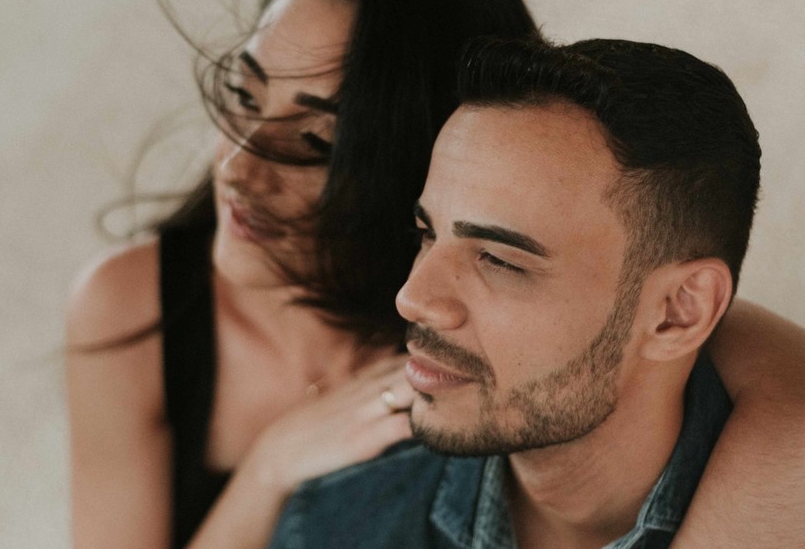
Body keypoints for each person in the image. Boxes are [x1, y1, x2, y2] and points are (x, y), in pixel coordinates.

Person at [66, 0, 805, 549]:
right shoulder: (140, 307)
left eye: (318, 145)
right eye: (242, 93)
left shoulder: (509, 328)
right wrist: (268, 470)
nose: (236, 168)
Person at [268, 37, 791, 548]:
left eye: (498, 259)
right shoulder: (336, 527)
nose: (413, 298)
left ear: (679, 312)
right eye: (427, 234)